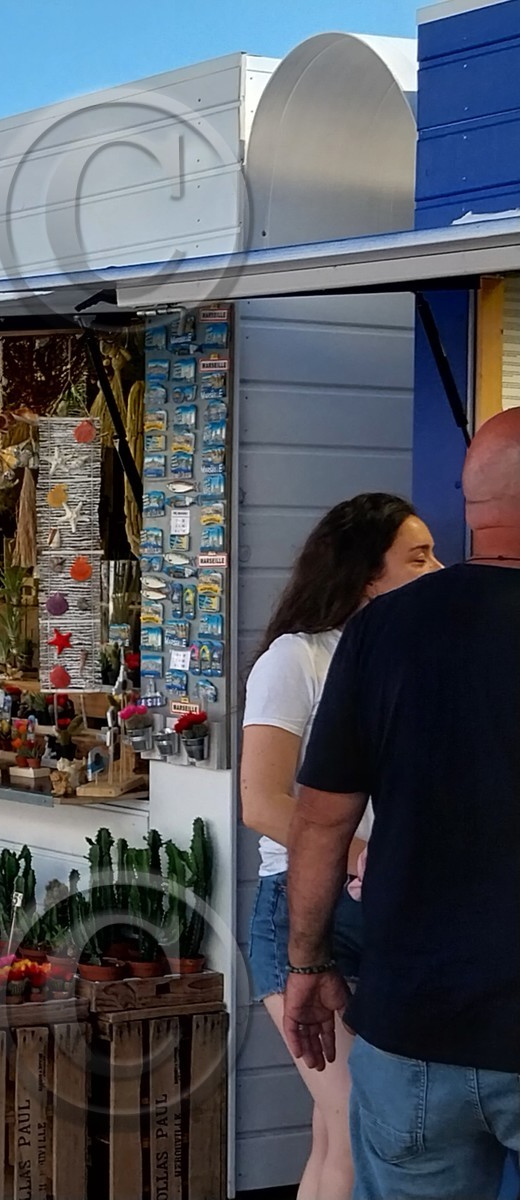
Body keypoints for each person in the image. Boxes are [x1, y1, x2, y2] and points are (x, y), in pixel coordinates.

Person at [285, 409, 520, 1200]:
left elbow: (321, 815)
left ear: (470, 499)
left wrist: (308, 963)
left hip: (414, 1023)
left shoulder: (384, 628)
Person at [240, 493, 439, 1200]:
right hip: (298, 911)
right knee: (359, 1118)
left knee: (336, 1131)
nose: (439, 569)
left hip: (387, 914)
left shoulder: (412, 658)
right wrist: (356, 853)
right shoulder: (296, 660)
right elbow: (261, 800)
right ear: (364, 577)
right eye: (418, 558)